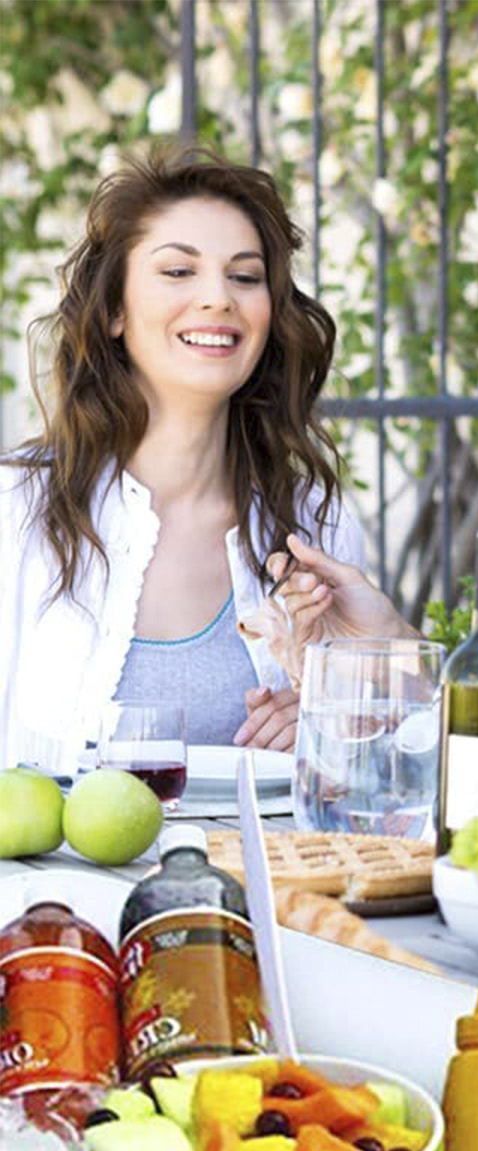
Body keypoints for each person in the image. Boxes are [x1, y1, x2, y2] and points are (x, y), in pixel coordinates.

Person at [0, 143, 366, 773]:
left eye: (245, 276)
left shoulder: (318, 526)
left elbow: (366, 775)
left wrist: (327, 727)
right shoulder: (16, 512)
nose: (218, 297)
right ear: (114, 310)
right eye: (178, 272)